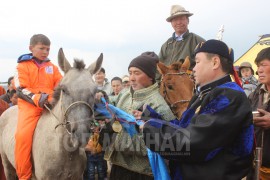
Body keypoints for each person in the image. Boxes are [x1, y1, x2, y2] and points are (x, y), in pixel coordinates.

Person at [143, 40, 254, 180]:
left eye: (198, 62)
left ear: (215, 62)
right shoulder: (204, 95)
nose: (193, 69)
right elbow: (184, 128)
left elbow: (193, 144)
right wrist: (151, 118)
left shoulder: (228, 96)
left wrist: (149, 130)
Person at [103, 52, 175, 180]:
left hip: (142, 173)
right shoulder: (125, 95)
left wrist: (115, 141)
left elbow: (162, 143)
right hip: (118, 167)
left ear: (150, 77)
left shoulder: (158, 105)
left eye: (137, 73)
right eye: (130, 73)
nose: (131, 78)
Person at [14, 34, 62, 180]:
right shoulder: (22, 66)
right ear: (31, 48)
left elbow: (60, 85)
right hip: (30, 107)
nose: (45, 52)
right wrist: (37, 98)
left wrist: (53, 99)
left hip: (50, 105)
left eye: (48, 49)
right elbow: (20, 89)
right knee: (22, 137)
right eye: (41, 48)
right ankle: (24, 176)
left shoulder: (52, 67)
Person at [157, 4, 205, 81]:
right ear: (171, 23)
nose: (179, 22)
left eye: (182, 19)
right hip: (167, 87)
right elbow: (158, 69)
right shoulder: (165, 45)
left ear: (188, 21)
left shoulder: (198, 41)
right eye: (175, 20)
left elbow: (206, 65)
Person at [247, 47, 270, 180]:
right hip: (255, 166)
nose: (259, 70)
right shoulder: (254, 95)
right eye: (258, 66)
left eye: (263, 65)